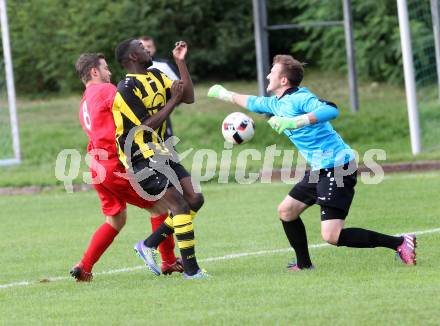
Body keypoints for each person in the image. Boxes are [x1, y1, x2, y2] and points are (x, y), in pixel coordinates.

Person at [207, 54, 416, 271]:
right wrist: (223, 93)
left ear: (284, 80)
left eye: (272, 71)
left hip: (338, 168)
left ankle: (400, 243)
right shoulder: (275, 103)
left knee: (332, 235)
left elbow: (331, 109)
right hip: (320, 169)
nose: (268, 75)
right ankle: (304, 264)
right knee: (287, 211)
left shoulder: (300, 98)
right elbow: (251, 101)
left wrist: (296, 121)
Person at [71, 53, 183, 282]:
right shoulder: (106, 90)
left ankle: (84, 266)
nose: (109, 72)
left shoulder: (84, 99)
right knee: (163, 205)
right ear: (94, 72)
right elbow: (132, 106)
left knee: (116, 220)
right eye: (105, 68)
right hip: (115, 164)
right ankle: (168, 261)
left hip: (97, 165)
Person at [113, 39, 207, 279]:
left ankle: (149, 244)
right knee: (179, 205)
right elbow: (144, 127)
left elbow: (188, 97)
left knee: (195, 198)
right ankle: (192, 271)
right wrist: (172, 101)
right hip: (140, 157)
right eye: (142, 48)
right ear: (132, 56)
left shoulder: (155, 74)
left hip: (162, 150)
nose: (148, 49)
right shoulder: (125, 88)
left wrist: (180, 63)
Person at [139, 36, 180, 140]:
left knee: (168, 148)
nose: (147, 49)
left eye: (149, 46)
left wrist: (171, 102)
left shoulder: (164, 65)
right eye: (143, 47)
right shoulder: (133, 68)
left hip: (162, 114)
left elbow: (180, 87)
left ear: (154, 48)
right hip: (141, 118)